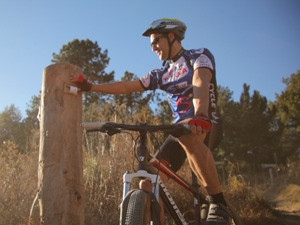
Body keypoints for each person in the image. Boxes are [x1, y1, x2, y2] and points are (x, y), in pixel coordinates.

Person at [71, 18, 231, 225]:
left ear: (171, 36)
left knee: (188, 135)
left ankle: (218, 204)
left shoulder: (198, 56)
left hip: (206, 122)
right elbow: (127, 87)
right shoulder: (161, 74)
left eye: (156, 41)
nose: (153, 47)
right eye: (151, 44)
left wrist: (200, 114)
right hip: (179, 131)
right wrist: (91, 87)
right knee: (148, 184)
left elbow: (200, 81)